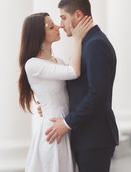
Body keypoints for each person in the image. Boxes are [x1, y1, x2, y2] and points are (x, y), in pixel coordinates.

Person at [42, 0, 119, 172]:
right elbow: (80, 88)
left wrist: (67, 123)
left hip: (94, 138)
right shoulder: (87, 43)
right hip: (87, 137)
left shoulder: (95, 45)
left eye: (63, 18)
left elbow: (97, 95)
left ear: (78, 15)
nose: (60, 25)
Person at [18, 12, 92, 172]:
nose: (59, 26)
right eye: (51, 27)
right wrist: (77, 39)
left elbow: (70, 89)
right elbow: (73, 72)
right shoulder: (32, 64)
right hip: (53, 129)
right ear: (39, 36)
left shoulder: (59, 61)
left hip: (66, 124)